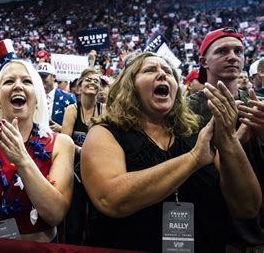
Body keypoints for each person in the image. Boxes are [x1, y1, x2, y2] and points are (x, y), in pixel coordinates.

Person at [81, 52, 261, 252]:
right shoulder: (105, 132)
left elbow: (248, 207)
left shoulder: (198, 133)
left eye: (168, 72)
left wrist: (229, 140)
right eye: (150, 70)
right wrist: (193, 159)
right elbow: (111, 200)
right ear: (129, 86)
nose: (162, 74)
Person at [0, 59, 75, 242]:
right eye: (9, 81)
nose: (18, 86)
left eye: (26, 81)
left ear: (38, 98)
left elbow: (55, 214)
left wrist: (23, 160)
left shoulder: (61, 143)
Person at [189, 28, 264, 251]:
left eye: (238, 51)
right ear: (203, 61)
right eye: (222, 51)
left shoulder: (258, 105)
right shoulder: (185, 110)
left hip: (257, 225)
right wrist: (237, 138)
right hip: (209, 221)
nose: (233, 56)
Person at [61, 68, 105, 245]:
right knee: (74, 222)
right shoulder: (72, 110)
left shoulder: (105, 110)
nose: (92, 82)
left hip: (97, 173)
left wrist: (80, 148)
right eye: (87, 79)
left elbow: (106, 145)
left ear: (100, 89)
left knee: (97, 221)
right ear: (78, 87)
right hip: (76, 174)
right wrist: (84, 150)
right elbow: (65, 141)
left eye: (96, 80)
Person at [36, 62, 76, 133]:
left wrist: (61, 129)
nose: (40, 79)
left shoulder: (68, 98)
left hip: (59, 140)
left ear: (54, 77)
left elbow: (76, 127)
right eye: (38, 76)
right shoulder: (32, 96)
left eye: (44, 76)